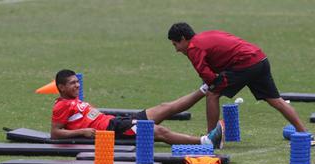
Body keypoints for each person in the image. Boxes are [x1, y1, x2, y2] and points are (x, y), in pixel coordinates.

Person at [167, 22, 307, 134]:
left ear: (184, 39)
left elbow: (207, 76)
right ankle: (305, 133)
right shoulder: (206, 36)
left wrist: (211, 84)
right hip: (260, 59)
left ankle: (211, 138)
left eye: (175, 44)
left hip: (245, 64)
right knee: (276, 101)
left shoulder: (193, 47)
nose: (176, 49)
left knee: (212, 94)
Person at [51, 69, 225, 149]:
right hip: (111, 130)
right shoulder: (61, 105)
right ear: (61, 87)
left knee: (164, 108)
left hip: (117, 122)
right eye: (72, 83)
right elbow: (55, 133)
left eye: (77, 81)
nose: (77, 85)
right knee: (159, 131)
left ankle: (204, 89)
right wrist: (83, 131)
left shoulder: (74, 100)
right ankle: (206, 142)